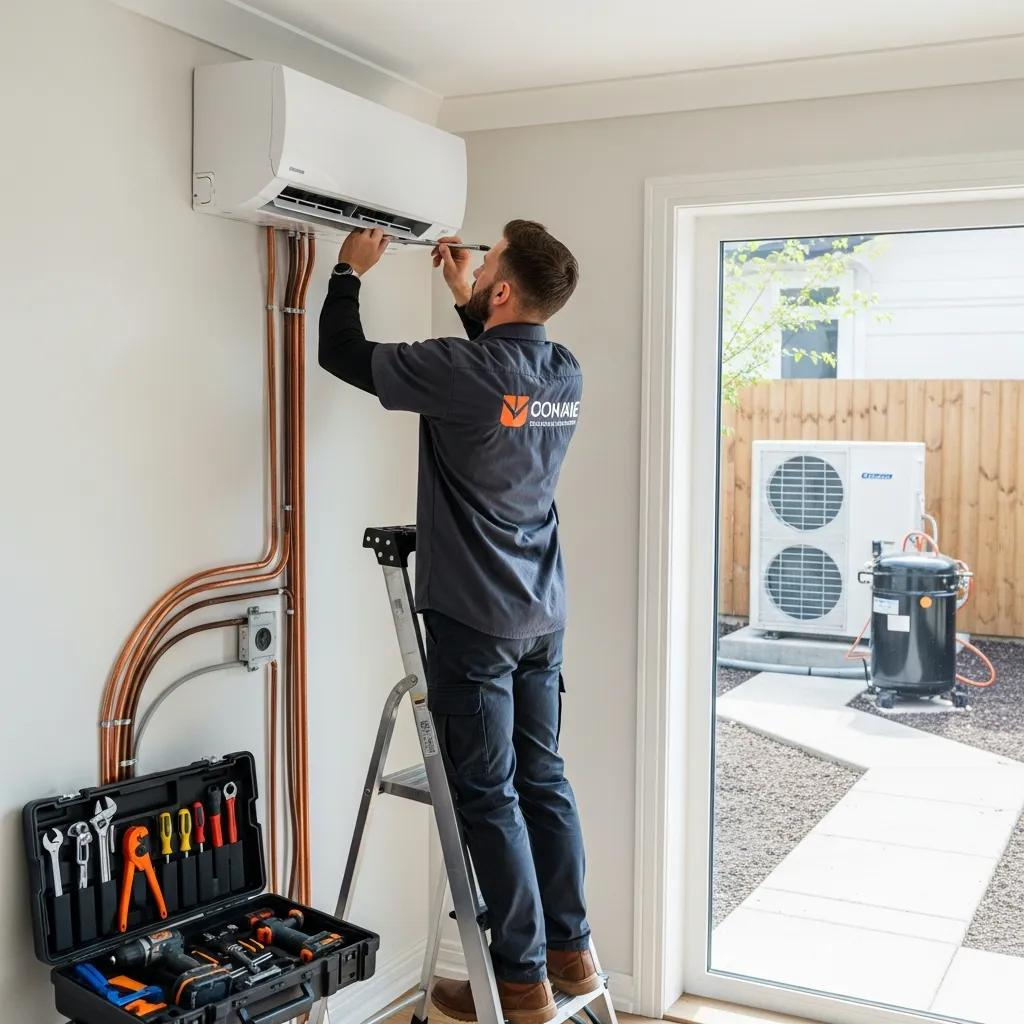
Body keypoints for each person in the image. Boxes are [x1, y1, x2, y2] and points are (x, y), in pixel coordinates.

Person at [318, 221, 595, 1024]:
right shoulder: (563, 372)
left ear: (502, 290)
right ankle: (570, 952)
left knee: (490, 796)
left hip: (475, 619)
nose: (482, 273)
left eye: (490, 270)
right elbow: (502, 380)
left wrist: (347, 269)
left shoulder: (460, 369)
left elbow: (343, 353)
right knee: (542, 780)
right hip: (543, 614)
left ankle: (517, 982)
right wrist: (464, 294)